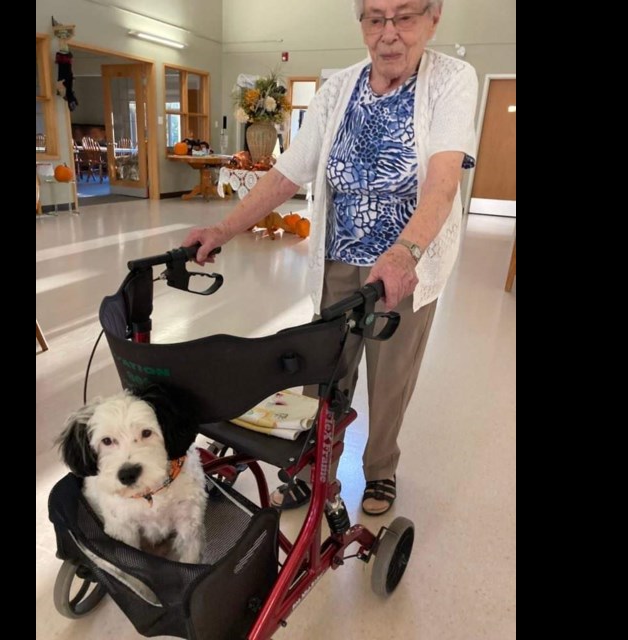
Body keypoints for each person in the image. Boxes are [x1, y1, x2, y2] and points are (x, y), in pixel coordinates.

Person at [184, 0, 477, 516]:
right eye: (375, 18)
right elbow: (285, 174)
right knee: (322, 375)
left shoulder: (452, 79)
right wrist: (222, 229)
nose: (389, 33)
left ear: (433, 19)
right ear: (361, 23)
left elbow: (444, 179)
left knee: (390, 381)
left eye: (405, 17)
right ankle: (312, 464)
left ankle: (380, 470)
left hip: (405, 268)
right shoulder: (339, 88)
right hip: (338, 260)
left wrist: (405, 254)